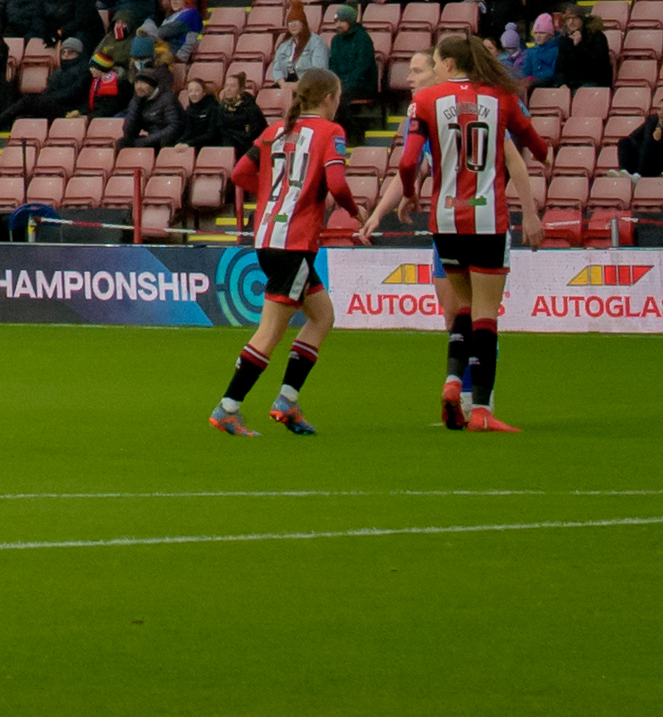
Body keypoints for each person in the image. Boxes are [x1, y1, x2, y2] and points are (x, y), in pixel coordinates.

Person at [366, 31, 544, 433]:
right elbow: (410, 168)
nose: (410, 77)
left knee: (466, 309)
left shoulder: (435, 108)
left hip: (447, 221)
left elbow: (413, 166)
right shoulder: (435, 110)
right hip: (477, 221)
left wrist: (529, 212)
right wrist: (380, 211)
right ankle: (474, 402)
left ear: (441, 67)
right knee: (469, 312)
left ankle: (464, 394)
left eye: (417, 69)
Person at [211, 66, 352, 439]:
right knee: (270, 332)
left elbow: (241, 173)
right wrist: (355, 211)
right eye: (337, 97)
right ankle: (228, 408)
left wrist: (277, 195)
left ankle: (287, 401)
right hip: (294, 244)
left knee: (322, 316)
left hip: (268, 238)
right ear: (327, 99)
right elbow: (337, 183)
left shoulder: (274, 132)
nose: (338, 105)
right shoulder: (330, 132)